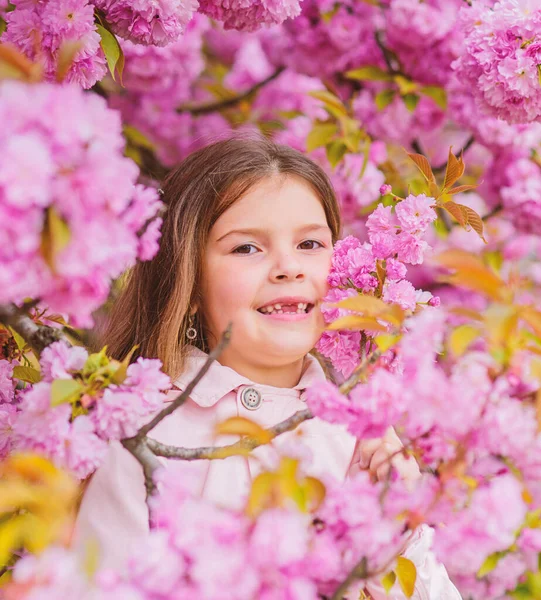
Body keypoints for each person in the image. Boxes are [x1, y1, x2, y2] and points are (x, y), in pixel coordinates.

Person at [75, 136, 461, 599]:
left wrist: (396, 523)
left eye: (311, 243)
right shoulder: (142, 429)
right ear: (190, 281)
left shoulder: (355, 441)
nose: (288, 267)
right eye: (246, 249)